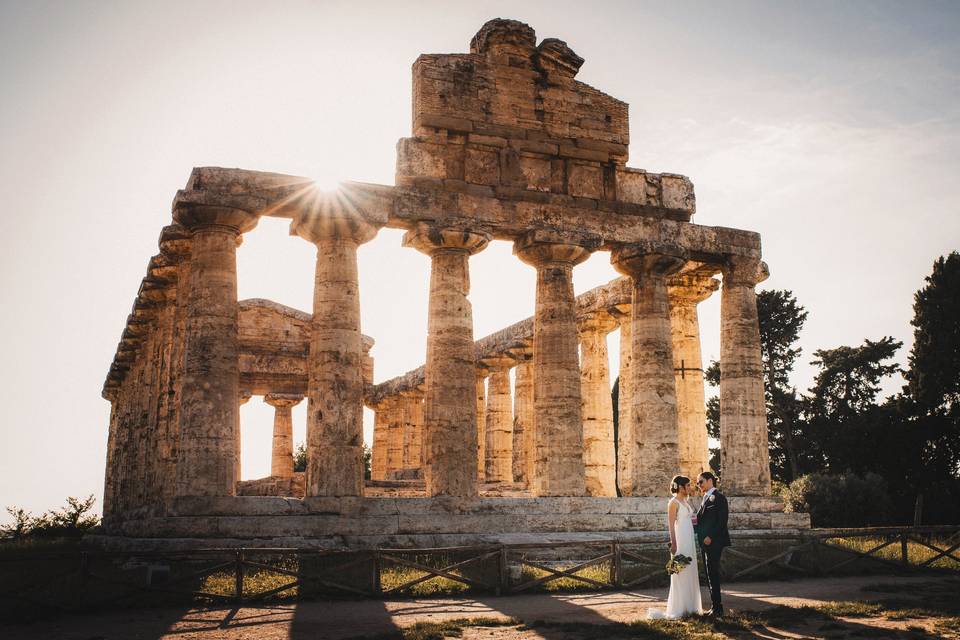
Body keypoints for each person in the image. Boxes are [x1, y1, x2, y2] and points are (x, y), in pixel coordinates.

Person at [647, 475, 703, 619]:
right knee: (679, 573)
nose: (690, 488)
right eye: (688, 485)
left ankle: (691, 607)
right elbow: (671, 525)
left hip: (689, 540)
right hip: (679, 541)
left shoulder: (686, 501)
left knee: (690, 571)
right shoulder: (673, 502)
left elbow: (691, 521)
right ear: (681, 487)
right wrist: (674, 543)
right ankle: (679, 608)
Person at [695, 471, 731, 617]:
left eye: (700, 482)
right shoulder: (705, 498)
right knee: (709, 573)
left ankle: (718, 608)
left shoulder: (719, 498)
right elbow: (699, 521)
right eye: (698, 483)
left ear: (710, 480)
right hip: (705, 543)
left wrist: (710, 536)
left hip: (714, 542)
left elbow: (722, 521)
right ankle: (715, 606)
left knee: (713, 573)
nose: (698, 485)